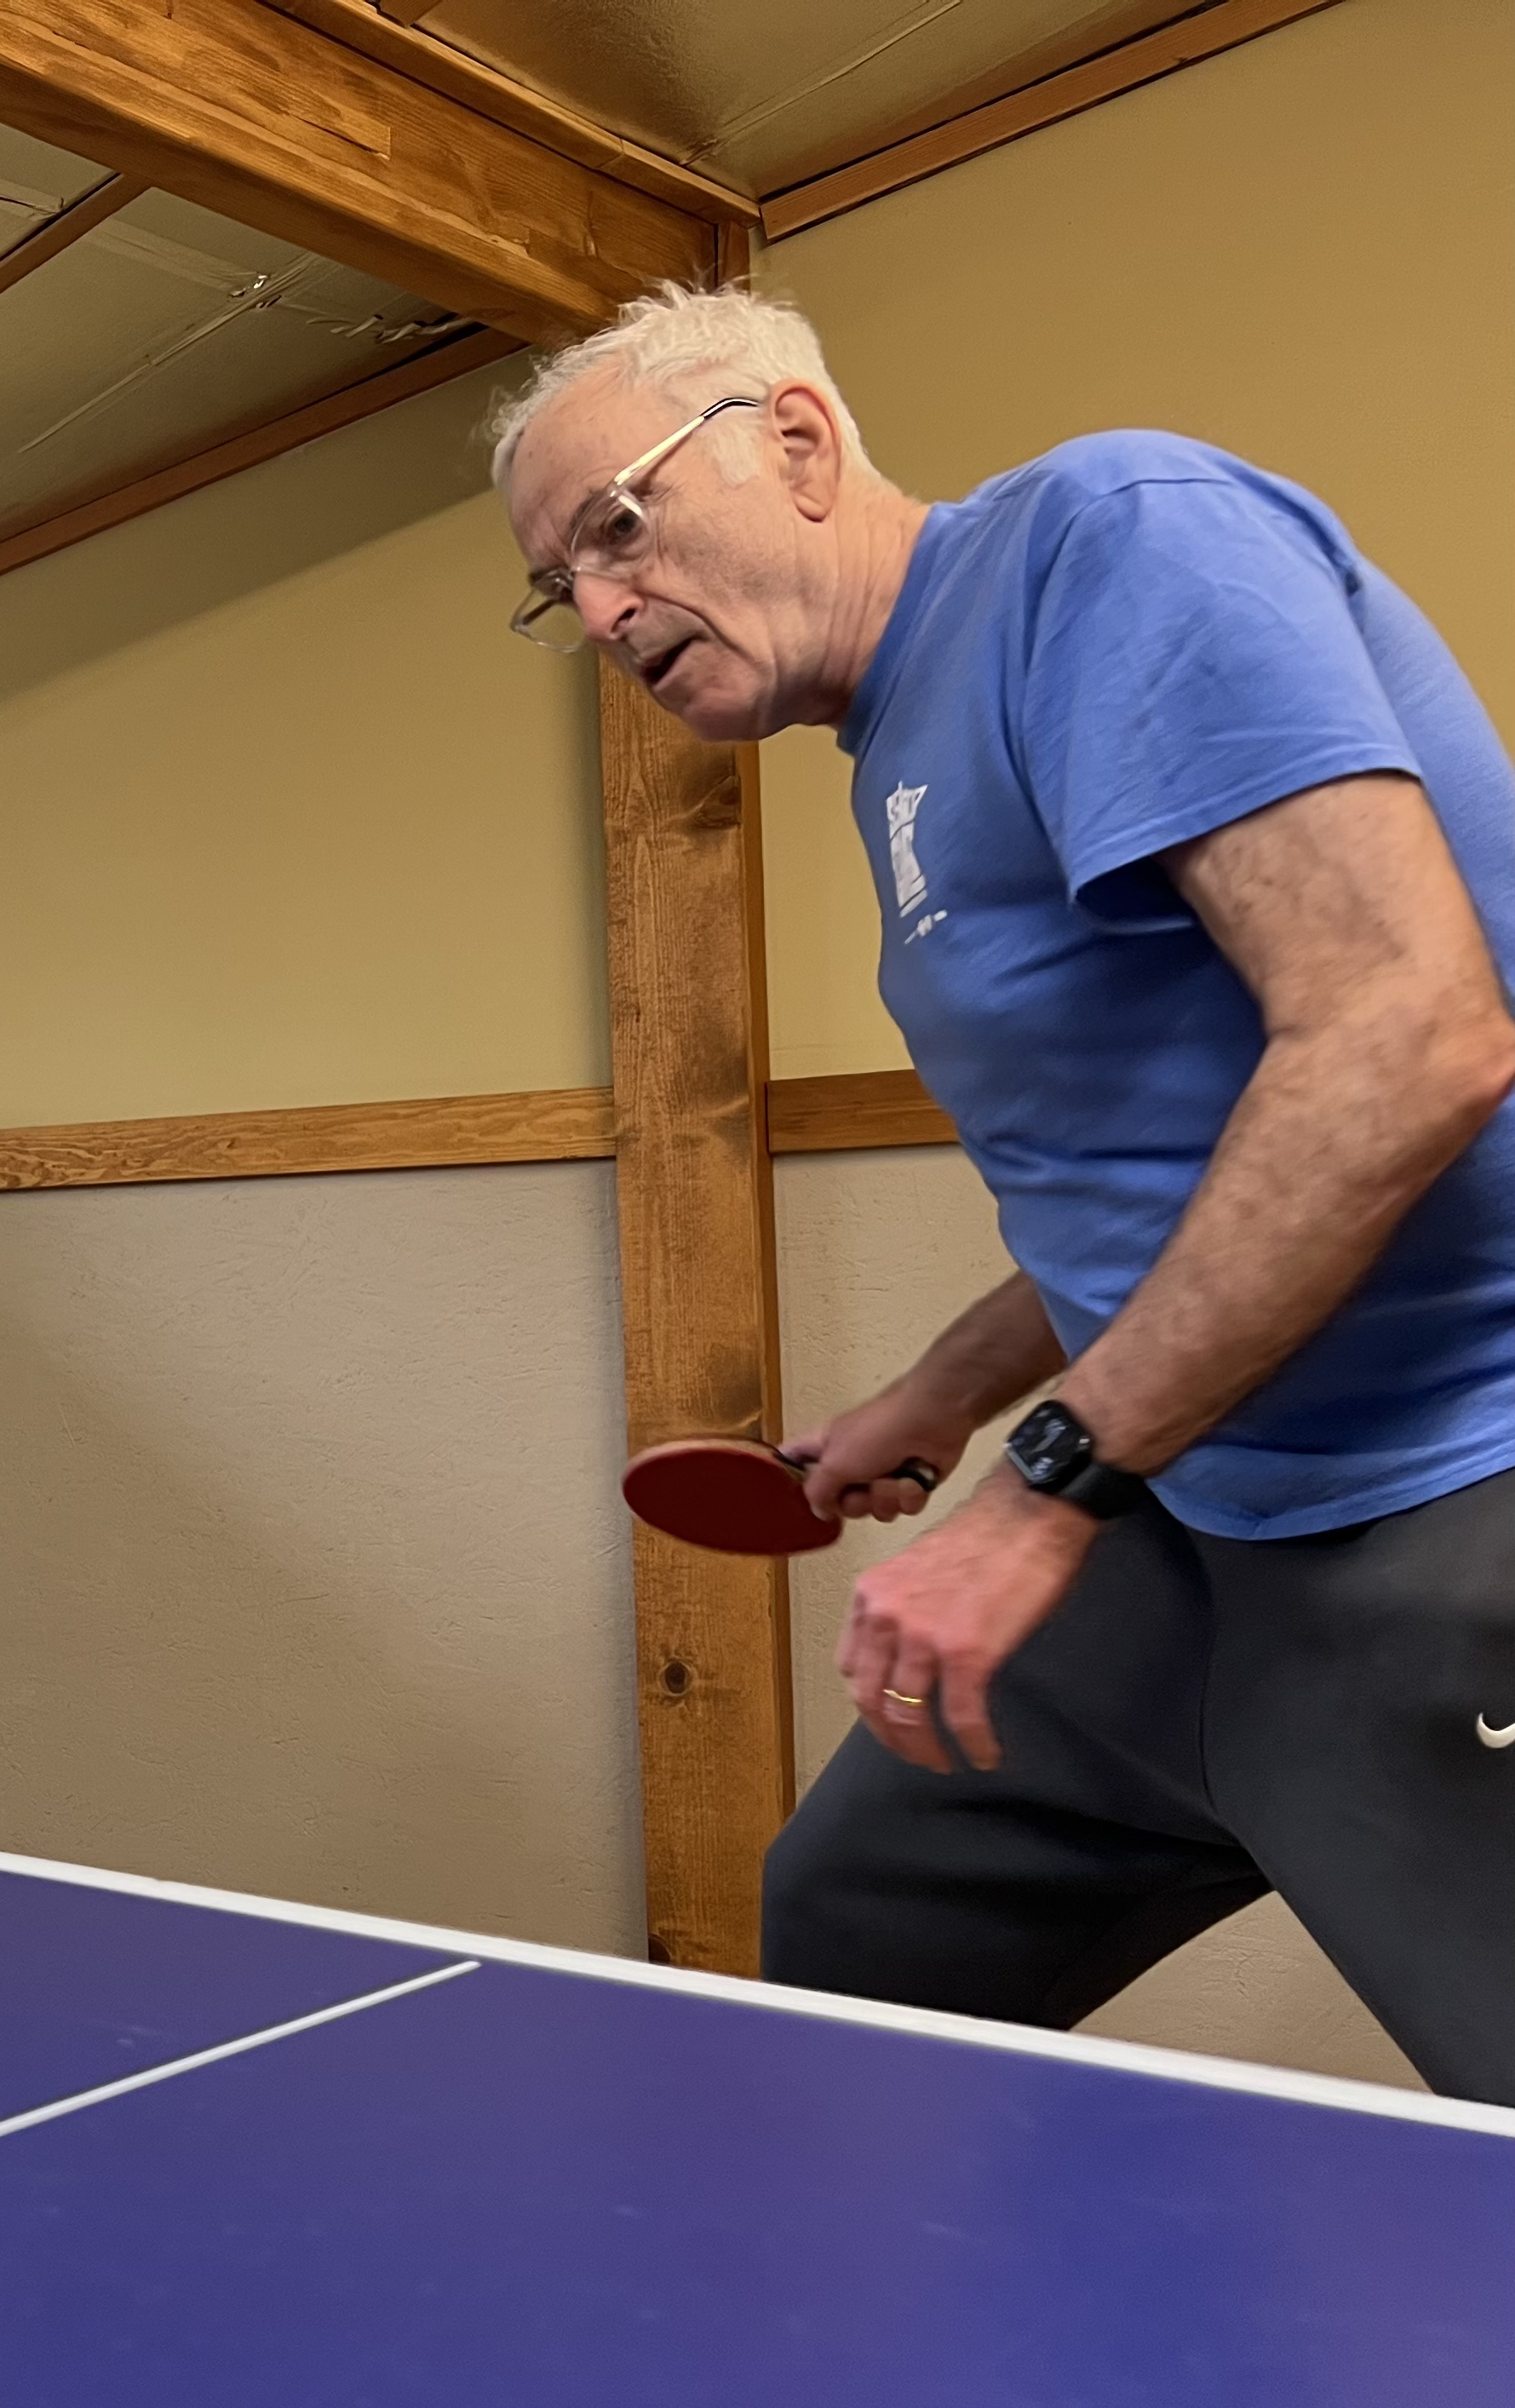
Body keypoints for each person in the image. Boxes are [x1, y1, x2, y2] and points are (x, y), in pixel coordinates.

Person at [491, 282, 1515, 2106]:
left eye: (615, 524)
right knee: (861, 1936)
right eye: (551, 585)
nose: (593, 606)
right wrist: (943, 1394)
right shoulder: (894, 736)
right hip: (1197, 1518)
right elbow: (1193, 1165)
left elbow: (1406, 1036)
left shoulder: (1104, 545)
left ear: (795, 441)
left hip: (1451, 1499)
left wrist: (1039, 1486)